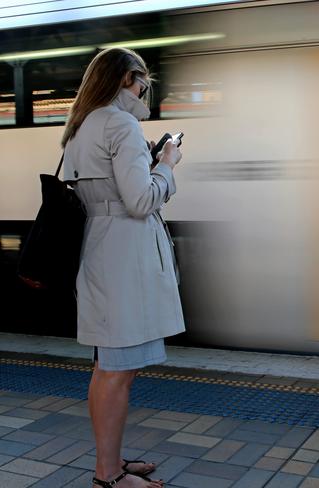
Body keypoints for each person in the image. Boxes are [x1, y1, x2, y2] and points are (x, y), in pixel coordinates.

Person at [61, 48, 184, 488]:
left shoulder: (82, 124)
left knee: (110, 368)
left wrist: (145, 165)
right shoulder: (120, 123)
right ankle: (108, 476)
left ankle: (109, 462)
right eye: (144, 84)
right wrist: (166, 166)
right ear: (128, 79)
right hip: (124, 258)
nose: (145, 92)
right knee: (117, 372)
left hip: (100, 251)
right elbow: (141, 201)